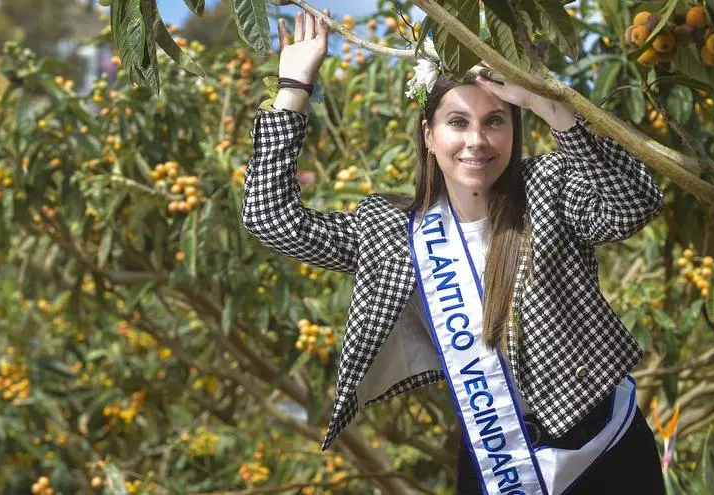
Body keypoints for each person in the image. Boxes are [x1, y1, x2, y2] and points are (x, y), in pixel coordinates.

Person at [242, 6, 666, 494]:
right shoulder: (390, 230)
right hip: (495, 452)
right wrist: (294, 89)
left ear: (515, 129)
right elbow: (271, 220)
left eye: (495, 122)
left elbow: (634, 205)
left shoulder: (548, 187)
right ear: (429, 135)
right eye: (458, 122)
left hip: (604, 442)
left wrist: (550, 104)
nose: (476, 141)